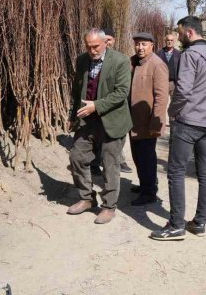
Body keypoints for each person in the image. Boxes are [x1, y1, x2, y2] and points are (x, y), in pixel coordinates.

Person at [150, 16, 206, 241]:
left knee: (175, 172)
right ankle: (200, 222)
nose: (178, 36)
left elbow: (182, 90)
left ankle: (175, 226)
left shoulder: (190, 55)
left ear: (190, 33)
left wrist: (173, 112)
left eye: (180, 32)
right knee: (205, 173)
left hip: (188, 122)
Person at [67, 28, 132, 224]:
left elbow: (121, 92)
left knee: (110, 165)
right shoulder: (82, 61)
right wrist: (73, 115)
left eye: (95, 46)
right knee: (76, 157)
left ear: (106, 43)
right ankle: (87, 198)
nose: (92, 50)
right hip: (87, 121)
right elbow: (77, 89)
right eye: (88, 46)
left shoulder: (120, 61)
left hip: (112, 121)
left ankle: (108, 206)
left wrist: (97, 105)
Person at [128, 32, 169, 205]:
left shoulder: (157, 65)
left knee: (147, 157)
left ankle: (149, 192)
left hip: (147, 122)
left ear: (152, 45)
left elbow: (161, 97)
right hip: (133, 120)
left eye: (144, 44)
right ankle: (145, 184)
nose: (140, 47)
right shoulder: (133, 62)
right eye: (137, 44)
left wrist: (156, 122)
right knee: (137, 155)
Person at [91, 28, 133, 175]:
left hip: (113, 110)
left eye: (110, 40)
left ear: (113, 41)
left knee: (113, 143)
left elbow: (122, 90)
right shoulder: (91, 58)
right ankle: (95, 163)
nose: (108, 42)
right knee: (97, 139)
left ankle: (119, 162)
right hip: (95, 111)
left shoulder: (120, 59)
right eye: (105, 40)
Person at [156, 32, 181, 98]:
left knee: (174, 103)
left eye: (171, 40)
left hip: (173, 83)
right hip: (161, 82)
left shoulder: (178, 54)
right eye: (168, 40)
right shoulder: (159, 53)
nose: (169, 42)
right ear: (165, 41)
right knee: (161, 101)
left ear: (174, 41)